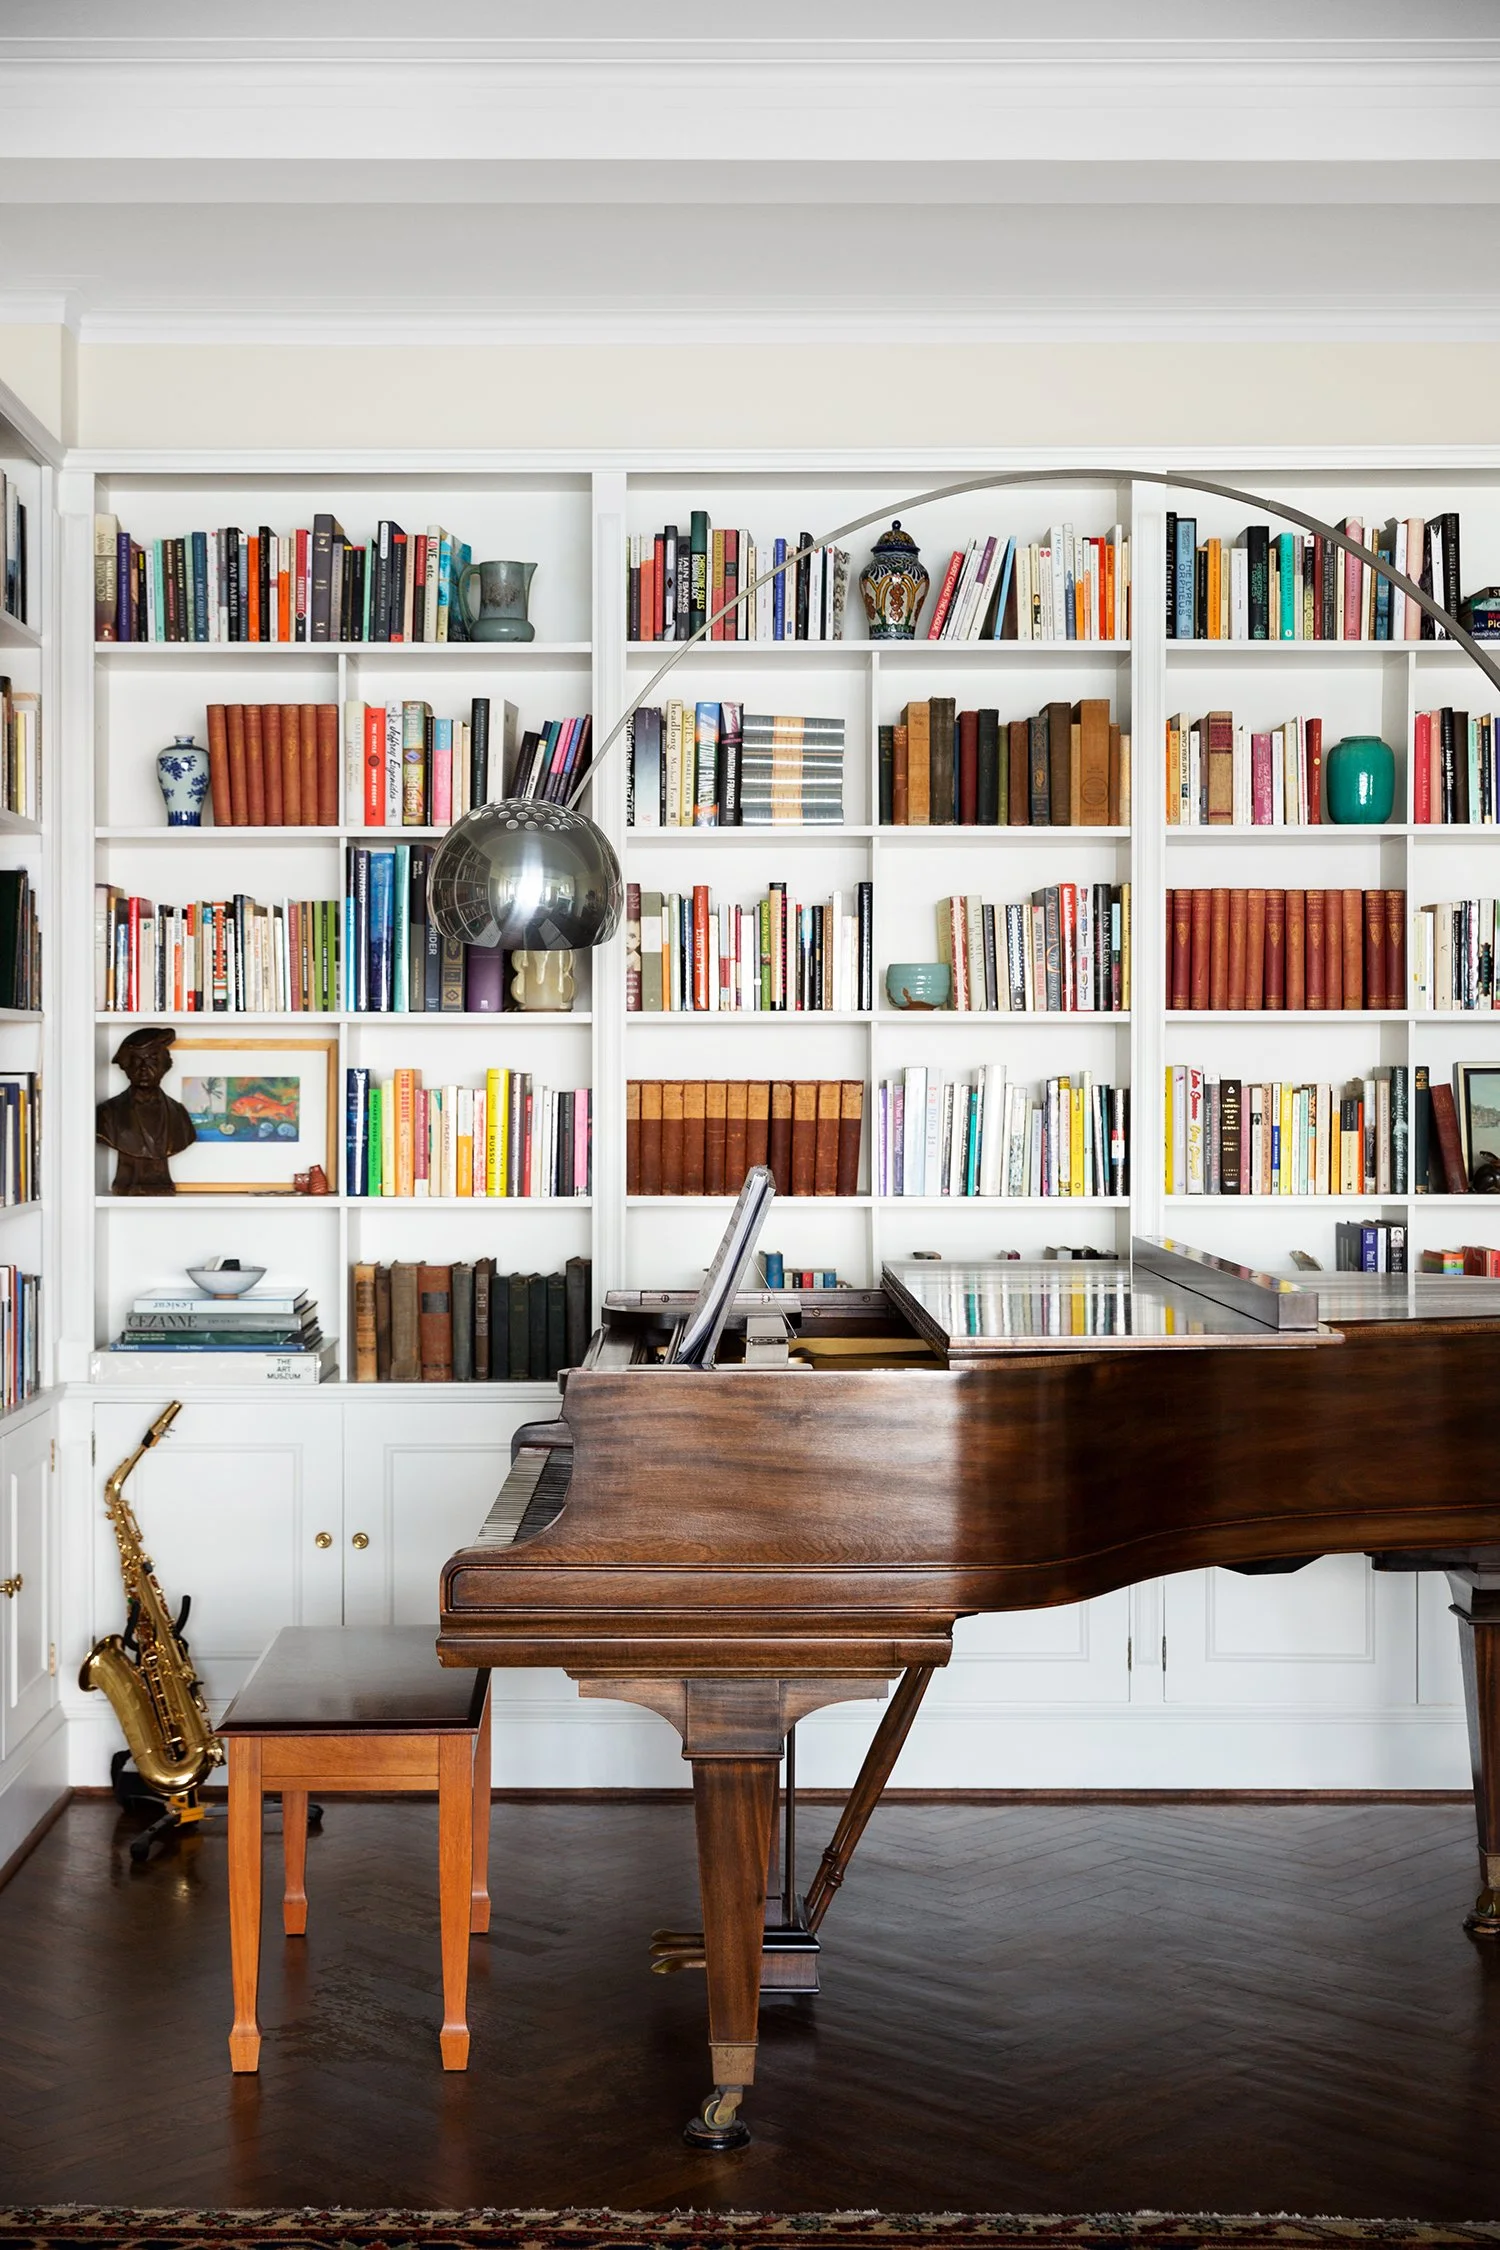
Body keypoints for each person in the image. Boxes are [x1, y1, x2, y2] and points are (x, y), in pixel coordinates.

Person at [96, 1025, 197, 1195]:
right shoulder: (107, 1113)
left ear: (165, 1065)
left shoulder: (179, 1113)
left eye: (151, 1059)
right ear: (125, 1066)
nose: (143, 1067)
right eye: (136, 1060)